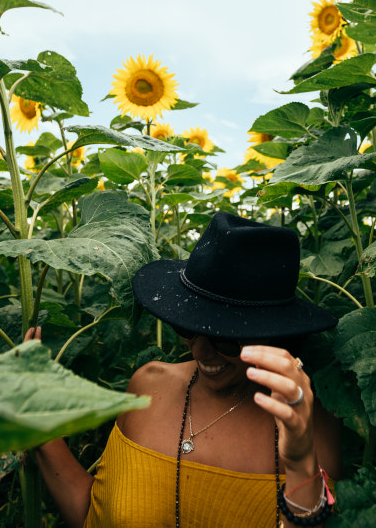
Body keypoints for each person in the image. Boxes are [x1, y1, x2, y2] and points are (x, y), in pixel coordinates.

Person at [26, 211, 341, 527]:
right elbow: (93, 517)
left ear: (274, 330)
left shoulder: (307, 424)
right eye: (188, 328)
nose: (200, 351)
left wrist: (300, 462)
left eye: (226, 339)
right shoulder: (149, 388)